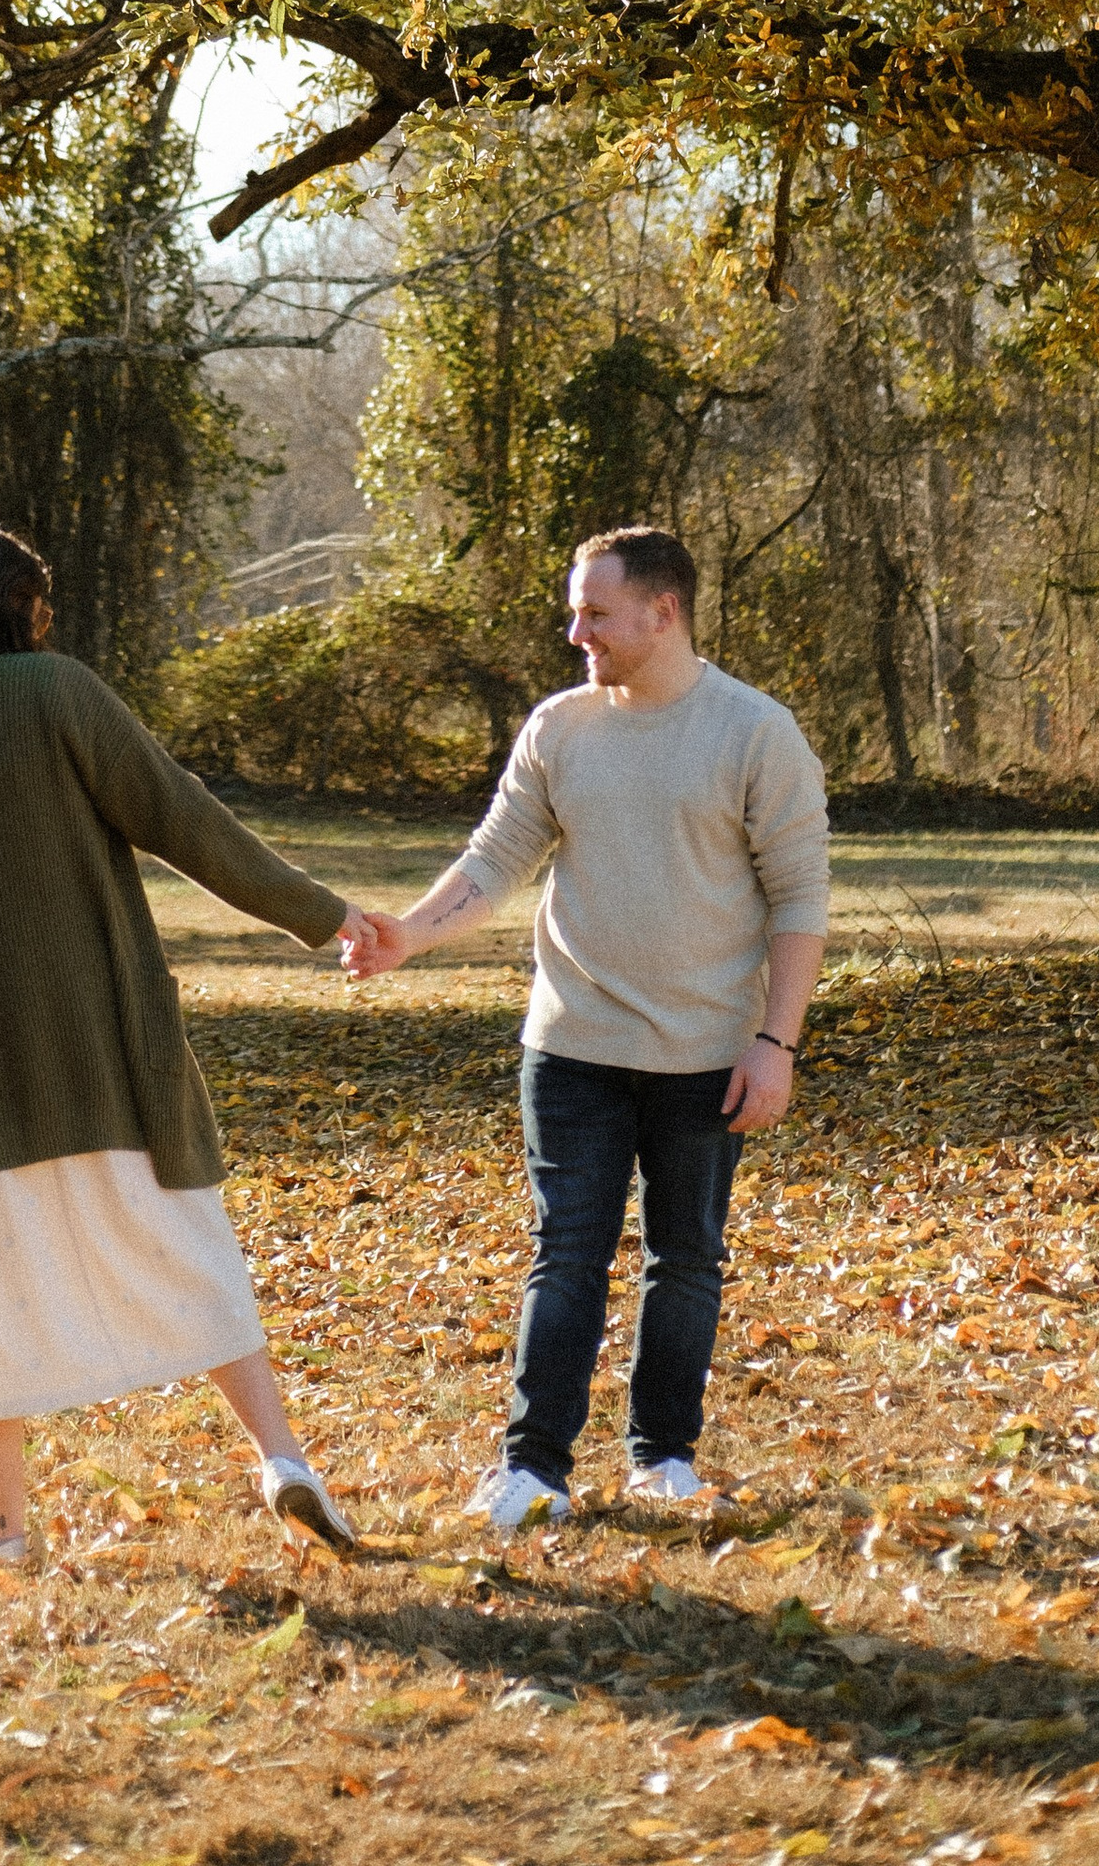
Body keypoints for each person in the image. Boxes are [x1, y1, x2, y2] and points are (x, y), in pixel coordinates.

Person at [0, 514, 376, 1570]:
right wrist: (324, 915)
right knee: (182, 1248)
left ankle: (2, 1527)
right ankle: (281, 1458)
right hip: (88, 1053)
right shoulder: (57, 692)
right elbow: (187, 821)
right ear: (22, 610)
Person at [345, 523, 827, 1529]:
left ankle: (663, 1458)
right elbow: (494, 860)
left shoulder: (755, 733)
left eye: (595, 613)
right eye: (575, 613)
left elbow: (798, 900)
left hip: (707, 1053)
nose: (577, 634)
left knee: (684, 1260)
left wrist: (775, 1043)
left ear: (663, 612)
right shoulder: (559, 727)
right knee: (566, 1251)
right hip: (571, 1049)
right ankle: (533, 1471)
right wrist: (409, 937)